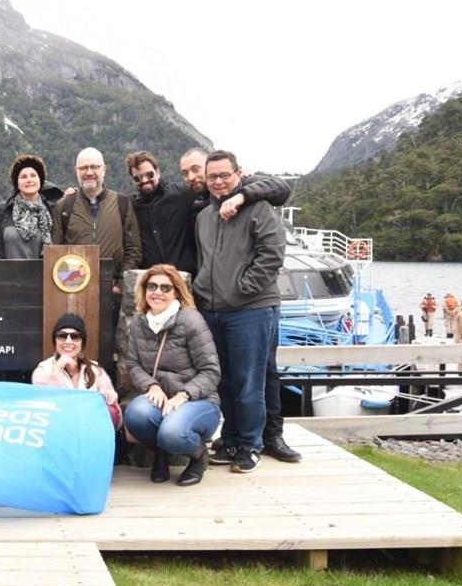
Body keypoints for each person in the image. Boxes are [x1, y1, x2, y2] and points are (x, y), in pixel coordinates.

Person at [176, 146, 297, 462]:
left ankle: (251, 444)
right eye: (212, 176)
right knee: (225, 380)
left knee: (249, 381)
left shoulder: (260, 209)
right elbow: (205, 259)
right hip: (213, 311)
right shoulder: (204, 216)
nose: (217, 182)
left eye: (224, 175)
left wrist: (242, 289)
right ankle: (229, 439)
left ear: (239, 174)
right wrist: (204, 291)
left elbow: (271, 256)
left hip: (251, 310)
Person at [123, 265, 221, 486]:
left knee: (172, 432)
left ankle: (198, 458)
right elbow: (133, 363)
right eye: (152, 286)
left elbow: (211, 371)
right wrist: (151, 386)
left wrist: (184, 395)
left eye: (165, 288)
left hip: (198, 401)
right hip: (161, 398)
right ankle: (160, 454)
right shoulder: (140, 322)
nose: (157, 292)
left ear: (176, 291)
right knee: (135, 414)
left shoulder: (191, 321)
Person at [52, 148, 141, 296]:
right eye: (83, 168)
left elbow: (133, 249)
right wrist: (68, 284)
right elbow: (56, 250)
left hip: (112, 291)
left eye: (94, 167)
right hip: (74, 290)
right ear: (76, 171)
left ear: (104, 170)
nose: (88, 172)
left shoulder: (122, 203)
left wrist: (120, 285)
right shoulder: (63, 206)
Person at [31, 313, 120, 428]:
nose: (68, 341)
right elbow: (47, 406)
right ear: (55, 340)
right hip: (57, 429)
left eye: (75, 336)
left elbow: (113, 411)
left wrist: (110, 396)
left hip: (89, 429)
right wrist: (57, 369)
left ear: (82, 342)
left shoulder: (95, 370)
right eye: (62, 336)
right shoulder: (42, 370)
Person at [0, 154, 54, 260]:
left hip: (40, 275)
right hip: (7, 274)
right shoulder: (2, 210)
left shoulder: (51, 210)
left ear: (40, 180)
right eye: (24, 177)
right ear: (17, 182)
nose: (29, 180)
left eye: (33, 175)